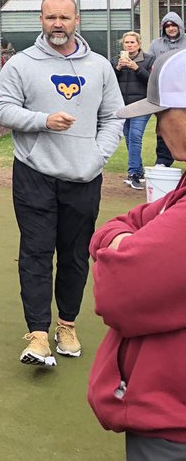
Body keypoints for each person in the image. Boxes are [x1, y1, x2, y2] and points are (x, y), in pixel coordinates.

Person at [0, 0, 122, 368]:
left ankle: (67, 325)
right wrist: (43, 120)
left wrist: (97, 155)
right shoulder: (21, 64)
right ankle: (37, 335)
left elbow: (114, 116)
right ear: (41, 20)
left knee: (74, 255)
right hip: (34, 174)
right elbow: (2, 109)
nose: (58, 24)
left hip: (84, 176)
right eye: (51, 17)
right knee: (35, 252)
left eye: (65, 17)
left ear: (77, 20)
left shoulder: (99, 66)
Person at [87, 47, 186, 460]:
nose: (157, 128)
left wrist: (122, 244)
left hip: (174, 425)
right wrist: (122, 238)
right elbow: (126, 222)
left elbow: (119, 289)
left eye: (163, 115)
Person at [113, 32, 153, 191]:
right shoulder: (116, 61)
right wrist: (117, 69)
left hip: (142, 105)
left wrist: (136, 68)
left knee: (135, 136)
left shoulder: (149, 59)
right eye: (127, 43)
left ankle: (133, 173)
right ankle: (139, 170)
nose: (129, 45)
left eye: (132, 42)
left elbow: (152, 81)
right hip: (123, 106)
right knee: (130, 138)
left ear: (139, 44)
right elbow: (109, 82)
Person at [147, 12, 183, 167]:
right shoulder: (156, 44)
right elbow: (149, 64)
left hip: (183, 91)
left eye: (174, 25)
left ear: (179, 26)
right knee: (164, 125)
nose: (171, 28)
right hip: (164, 92)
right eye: (167, 26)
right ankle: (162, 161)